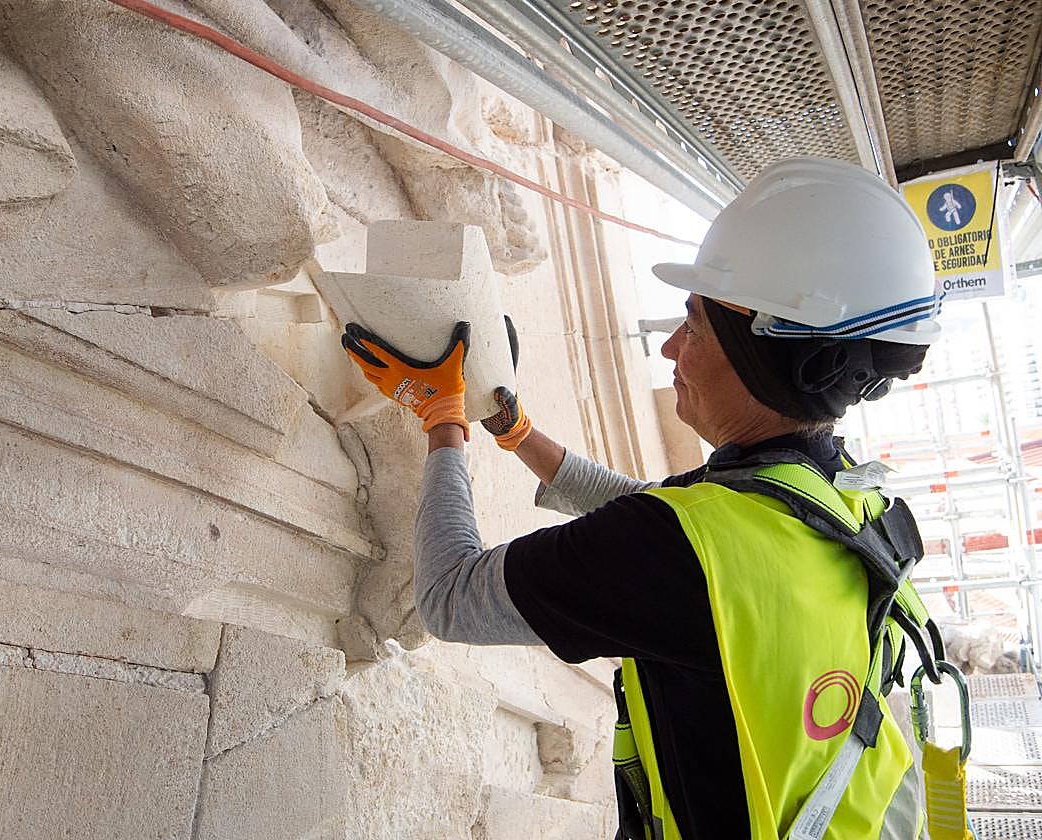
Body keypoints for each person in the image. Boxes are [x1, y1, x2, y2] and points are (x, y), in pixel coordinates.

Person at [342, 157, 942, 839]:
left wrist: (440, 419)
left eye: (695, 325)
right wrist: (520, 435)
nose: (669, 347)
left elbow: (449, 596)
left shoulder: (679, 551)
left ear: (759, 357)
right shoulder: (846, 504)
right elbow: (663, 517)